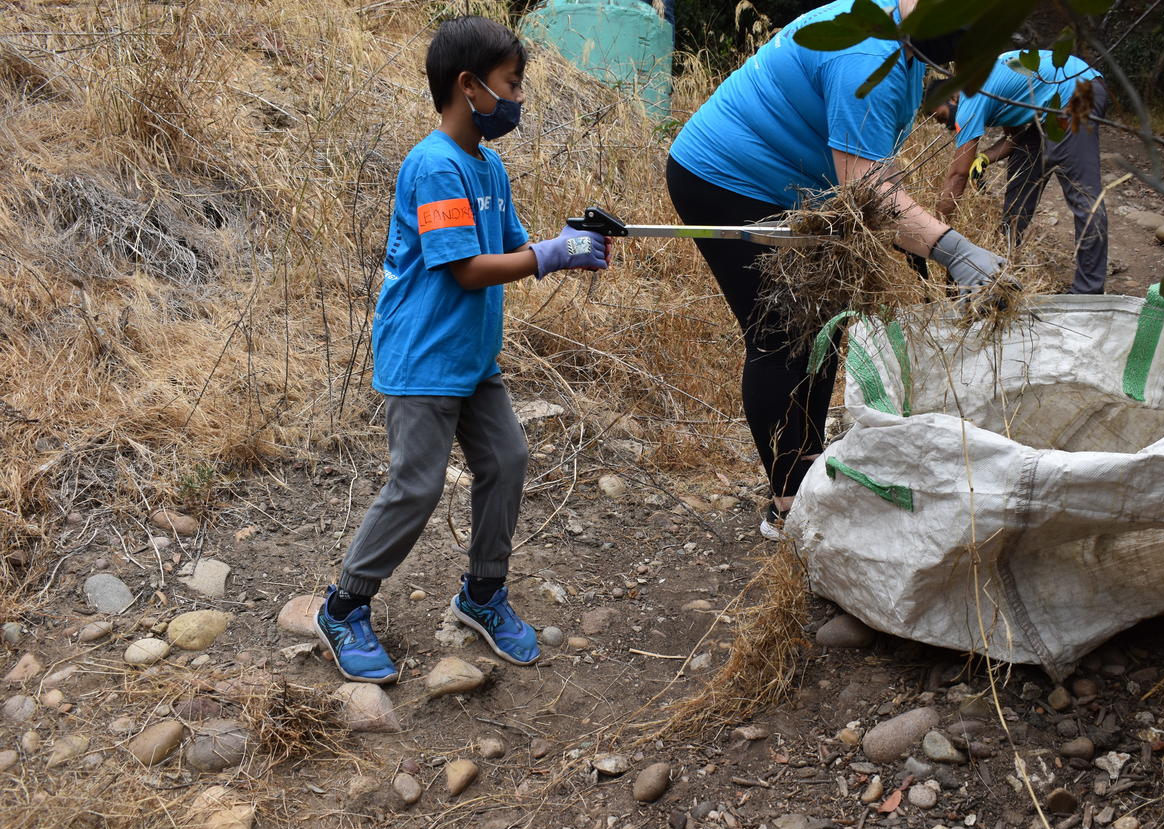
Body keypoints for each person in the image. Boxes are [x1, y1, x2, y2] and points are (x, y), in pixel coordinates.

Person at [316, 16, 610, 684]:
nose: (520, 99)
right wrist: (548, 257)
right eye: (512, 84)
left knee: (507, 457)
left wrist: (566, 245)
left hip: (472, 357)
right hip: (423, 358)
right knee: (416, 485)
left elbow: (512, 246)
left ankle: (482, 595)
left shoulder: (486, 164)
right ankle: (344, 606)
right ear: (469, 86)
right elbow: (467, 269)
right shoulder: (435, 166)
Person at [666, 0, 1005, 541]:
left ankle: (807, 468)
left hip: (793, 188)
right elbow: (865, 185)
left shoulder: (898, 31)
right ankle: (788, 505)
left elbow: (873, 153)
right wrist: (953, 250)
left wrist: (913, 232)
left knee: (824, 325)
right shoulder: (867, 53)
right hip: (726, 181)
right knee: (782, 336)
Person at [931, 50, 1107, 296]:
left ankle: (1089, 291)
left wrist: (936, 230)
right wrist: (985, 158)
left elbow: (957, 176)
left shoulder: (970, 97)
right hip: (1054, 106)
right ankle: (1006, 267)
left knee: (1083, 195)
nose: (941, 123)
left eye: (938, 115)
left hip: (1076, 93)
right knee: (1022, 172)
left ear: (950, 96)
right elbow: (1014, 137)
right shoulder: (984, 82)